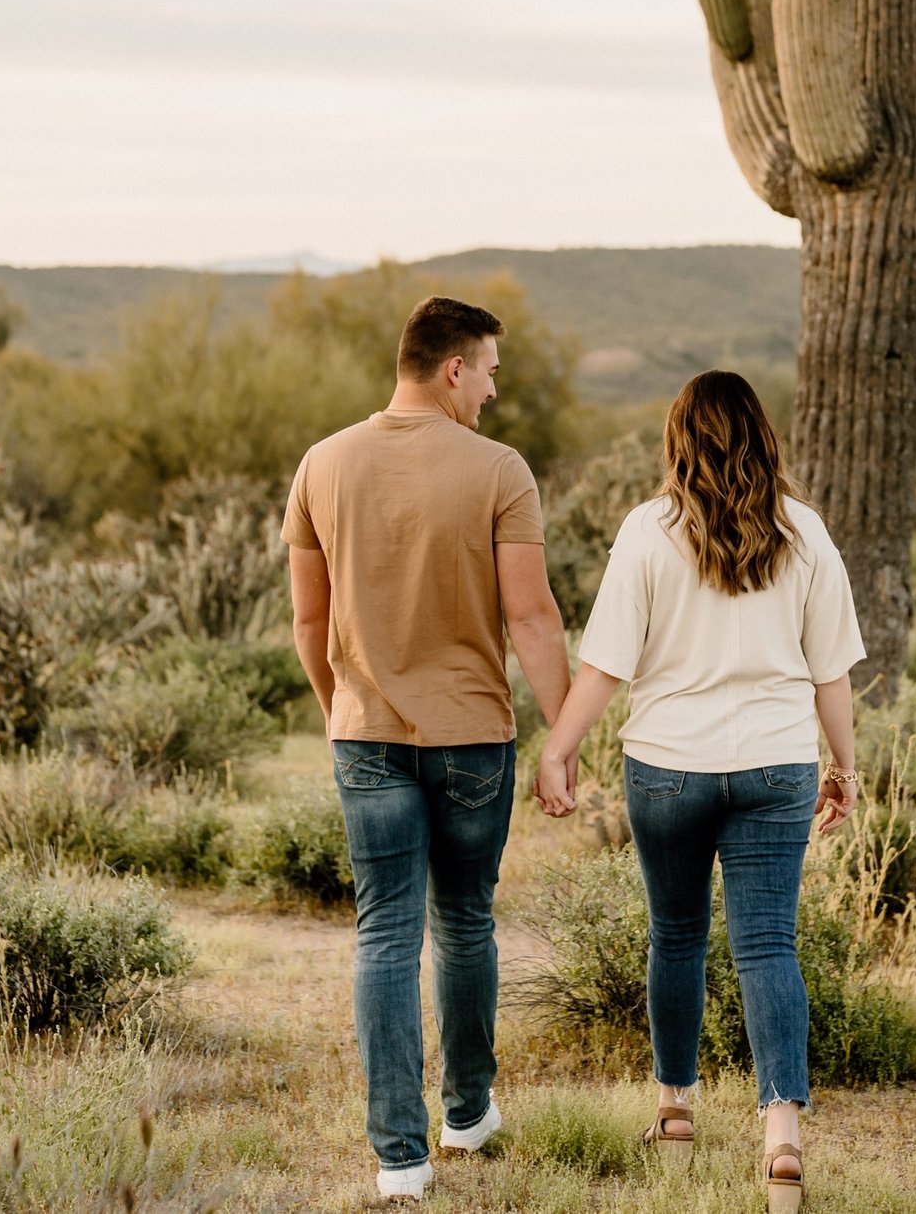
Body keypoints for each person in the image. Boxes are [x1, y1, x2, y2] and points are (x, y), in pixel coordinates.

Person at [535, 370, 862, 1214]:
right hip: (775, 766)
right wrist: (844, 767)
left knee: (675, 937)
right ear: (763, 435)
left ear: (679, 440)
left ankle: (675, 1115)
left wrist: (559, 749)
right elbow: (832, 675)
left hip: (668, 766)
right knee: (767, 947)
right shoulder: (806, 533)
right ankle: (781, 1136)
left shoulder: (647, 532)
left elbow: (605, 663)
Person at [283, 295, 572, 1204]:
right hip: (473, 737)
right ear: (453, 367)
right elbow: (530, 615)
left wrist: (344, 708)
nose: (492, 389)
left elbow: (308, 619)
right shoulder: (499, 470)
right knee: (466, 922)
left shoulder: (322, 464)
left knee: (384, 933)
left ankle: (399, 1160)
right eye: (488, 370)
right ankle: (467, 1111)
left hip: (365, 731)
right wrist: (564, 735)